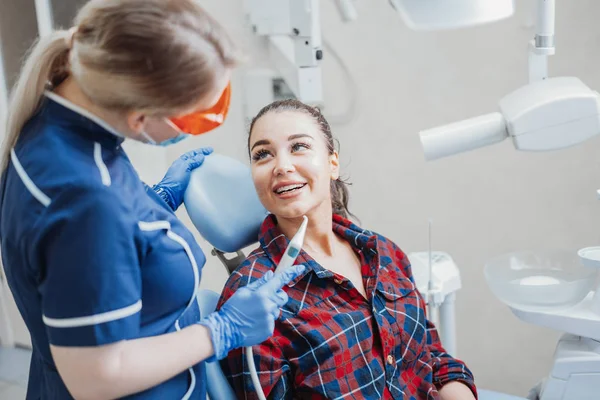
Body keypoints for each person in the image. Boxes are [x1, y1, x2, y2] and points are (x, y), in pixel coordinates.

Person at [0, 1, 304, 399]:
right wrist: (221, 331)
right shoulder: (87, 201)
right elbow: (95, 376)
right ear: (140, 117)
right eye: (193, 118)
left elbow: (92, 255)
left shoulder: (55, 123)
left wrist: (153, 205)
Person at [217, 99, 478, 400]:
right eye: (263, 154)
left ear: (332, 163)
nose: (282, 166)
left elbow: (432, 356)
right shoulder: (252, 296)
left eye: (298, 146)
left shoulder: (382, 252)